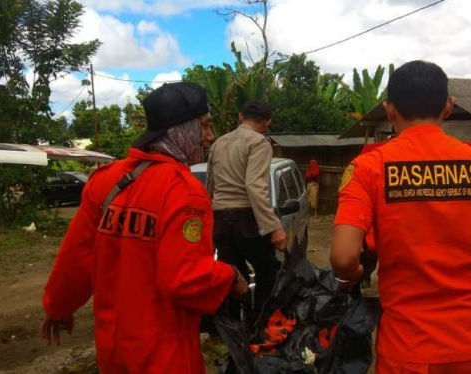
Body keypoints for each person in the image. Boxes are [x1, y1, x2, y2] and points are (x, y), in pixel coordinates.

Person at [331, 60, 471, 374]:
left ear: (389, 110)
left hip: (408, 350)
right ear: (448, 106)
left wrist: (356, 270)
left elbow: (343, 258)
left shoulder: (368, 168)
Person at [41, 82, 249, 374]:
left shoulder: (105, 181)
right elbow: (184, 278)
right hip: (165, 356)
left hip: (113, 353)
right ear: (180, 129)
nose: (210, 137)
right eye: (203, 127)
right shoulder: (183, 190)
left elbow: (75, 259)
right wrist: (231, 276)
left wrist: (57, 308)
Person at [207, 99, 287, 317]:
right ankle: (261, 328)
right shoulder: (259, 143)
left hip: (220, 220)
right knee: (267, 274)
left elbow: (210, 186)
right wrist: (274, 227)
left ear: (241, 117)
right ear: (266, 123)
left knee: (231, 278)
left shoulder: (218, 143)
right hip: (247, 219)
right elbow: (254, 186)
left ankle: (233, 331)